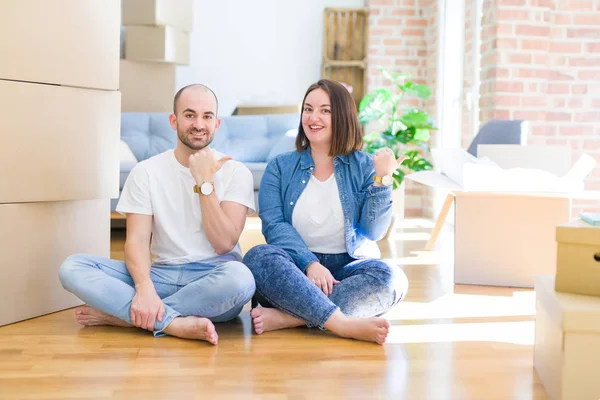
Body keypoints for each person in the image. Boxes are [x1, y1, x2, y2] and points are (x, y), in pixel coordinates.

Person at [59, 84, 256, 345]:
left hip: (214, 278)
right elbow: (137, 241)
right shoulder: (146, 171)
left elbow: (223, 244)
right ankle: (171, 323)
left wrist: (204, 183)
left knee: (241, 278)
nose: (199, 124)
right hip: (160, 275)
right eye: (189, 115)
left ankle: (125, 317)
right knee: (72, 268)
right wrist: (144, 288)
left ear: (217, 124)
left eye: (207, 116)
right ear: (173, 121)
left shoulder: (236, 172)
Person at [242, 79, 409, 345]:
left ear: (342, 116)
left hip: (347, 269)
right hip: (294, 272)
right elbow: (274, 226)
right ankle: (341, 324)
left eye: (325, 110)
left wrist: (383, 180)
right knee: (258, 256)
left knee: (393, 279)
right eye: (308, 109)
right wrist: (310, 264)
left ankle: (290, 318)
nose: (313, 117)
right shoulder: (280, 167)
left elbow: (373, 232)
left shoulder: (365, 165)